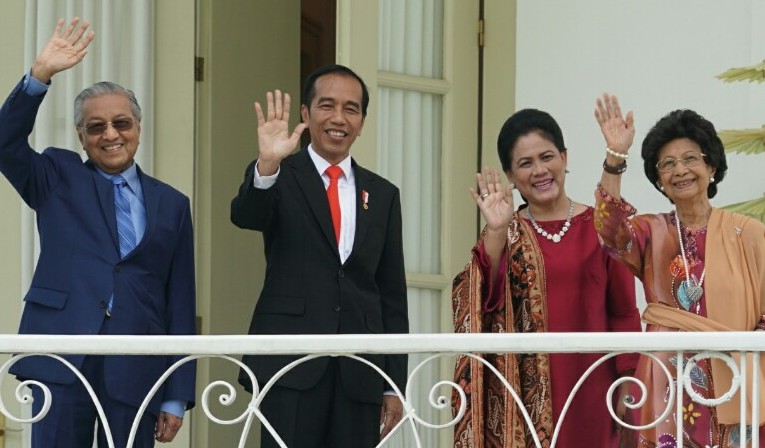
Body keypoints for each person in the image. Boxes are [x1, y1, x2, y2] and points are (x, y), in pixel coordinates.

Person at [0, 18, 197, 447]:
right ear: (81, 136)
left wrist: (177, 395)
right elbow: (4, 143)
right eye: (96, 127)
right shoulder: (55, 176)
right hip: (60, 359)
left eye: (122, 123)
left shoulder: (173, 204)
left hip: (137, 366)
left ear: (138, 128)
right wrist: (39, 77)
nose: (111, 134)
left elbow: (180, 301)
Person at [230, 64, 409, 447]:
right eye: (327, 106)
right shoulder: (280, 174)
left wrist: (394, 384)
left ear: (362, 122)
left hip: (359, 370)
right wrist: (268, 164)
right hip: (290, 365)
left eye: (352, 108)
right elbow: (246, 215)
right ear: (306, 115)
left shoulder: (383, 194)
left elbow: (391, 292)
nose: (339, 118)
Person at [452, 108, 642, 447]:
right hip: (522, 397)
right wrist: (497, 230)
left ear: (564, 158)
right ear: (510, 174)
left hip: (596, 388)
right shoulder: (507, 232)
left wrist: (628, 379)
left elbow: (624, 310)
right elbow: (482, 297)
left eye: (547, 157)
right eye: (525, 163)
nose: (539, 170)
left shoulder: (597, 229)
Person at [593, 93, 765, 447]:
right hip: (665, 383)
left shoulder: (748, 233)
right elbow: (609, 232)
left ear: (712, 167)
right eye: (667, 164)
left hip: (736, 378)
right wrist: (615, 158)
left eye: (690, 159)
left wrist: (751, 352)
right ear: (659, 180)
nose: (680, 170)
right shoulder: (650, 232)